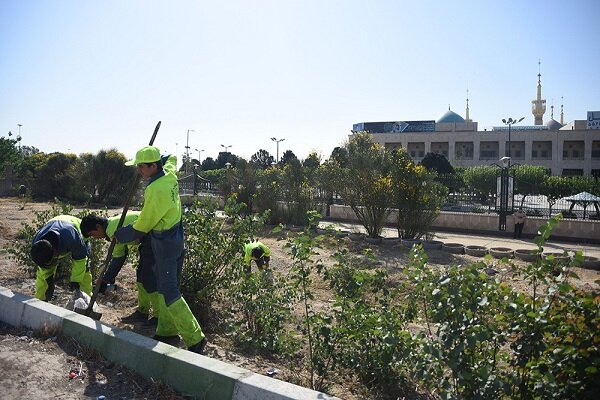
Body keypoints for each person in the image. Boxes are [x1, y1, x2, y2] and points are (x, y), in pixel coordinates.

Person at [114, 146, 206, 354]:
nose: (139, 171)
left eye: (142, 167)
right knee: (166, 287)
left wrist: (121, 235)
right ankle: (167, 331)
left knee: (169, 290)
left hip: (164, 244)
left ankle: (195, 338)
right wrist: (161, 158)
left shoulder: (155, 190)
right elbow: (172, 158)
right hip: (176, 239)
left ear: (153, 166)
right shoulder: (170, 173)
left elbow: (142, 226)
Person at [80, 212, 160, 326]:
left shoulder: (113, 230)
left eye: (92, 234)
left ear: (98, 227)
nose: (95, 238)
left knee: (148, 278)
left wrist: (105, 279)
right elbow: (120, 255)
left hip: (154, 235)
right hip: (147, 238)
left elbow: (119, 259)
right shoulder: (111, 228)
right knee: (141, 276)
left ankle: (159, 317)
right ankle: (142, 312)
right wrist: (107, 279)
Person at [30, 215, 93, 301]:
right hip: (55, 228)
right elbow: (43, 267)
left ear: (55, 254)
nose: (52, 265)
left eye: (52, 262)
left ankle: (87, 302)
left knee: (84, 272)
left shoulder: (71, 238)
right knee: (42, 276)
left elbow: (80, 260)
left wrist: (75, 281)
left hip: (79, 232)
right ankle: (40, 300)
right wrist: (49, 281)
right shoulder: (37, 243)